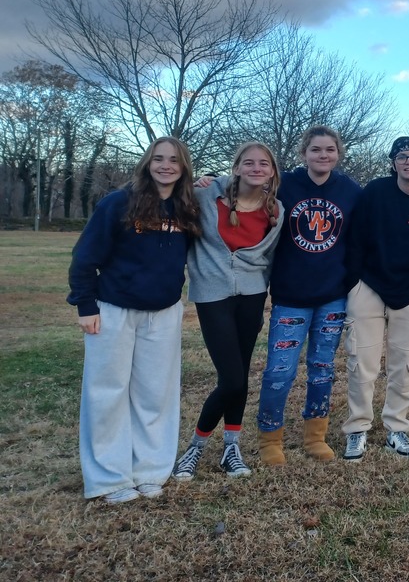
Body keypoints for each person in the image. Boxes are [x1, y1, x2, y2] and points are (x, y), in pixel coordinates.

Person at [68, 137, 201, 503]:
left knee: (155, 393)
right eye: (158, 159)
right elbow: (85, 257)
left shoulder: (186, 208)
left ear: (183, 167)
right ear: (147, 163)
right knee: (107, 392)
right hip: (114, 308)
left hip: (164, 312)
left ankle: (150, 470)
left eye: (174, 160)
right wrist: (85, 306)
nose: (165, 166)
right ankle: (109, 477)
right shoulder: (118, 202)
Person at [171, 142, 284, 481]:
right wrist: (199, 180)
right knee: (232, 379)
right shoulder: (206, 196)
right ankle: (195, 447)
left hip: (252, 295)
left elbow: (271, 257)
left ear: (272, 172)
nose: (256, 168)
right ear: (236, 168)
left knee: (240, 374)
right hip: (212, 294)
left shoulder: (276, 210)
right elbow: (172, 195)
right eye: (248, 163)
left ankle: (231, 448)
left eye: (263, 164)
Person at [255, 126, 362, 464]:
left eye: (330, 150)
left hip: (333, 296)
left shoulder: (350, 190)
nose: (323, 155)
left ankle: (315, 436)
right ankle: (270, 437)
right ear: (304, 153)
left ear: (338, 154)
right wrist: (208, 181)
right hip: (291, 296)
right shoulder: (283, 184)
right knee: (279, 371)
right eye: (316, 149)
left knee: (322, 367)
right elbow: (241, 188)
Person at [341, 137, 409, 461]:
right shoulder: (375, 192)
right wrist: (354, 283)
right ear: (393, 162)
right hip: (369, 286)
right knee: (362, 363)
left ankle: (397, 429)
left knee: (405, 364)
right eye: (402, 156)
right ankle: (357, 429)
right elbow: (355, 238)